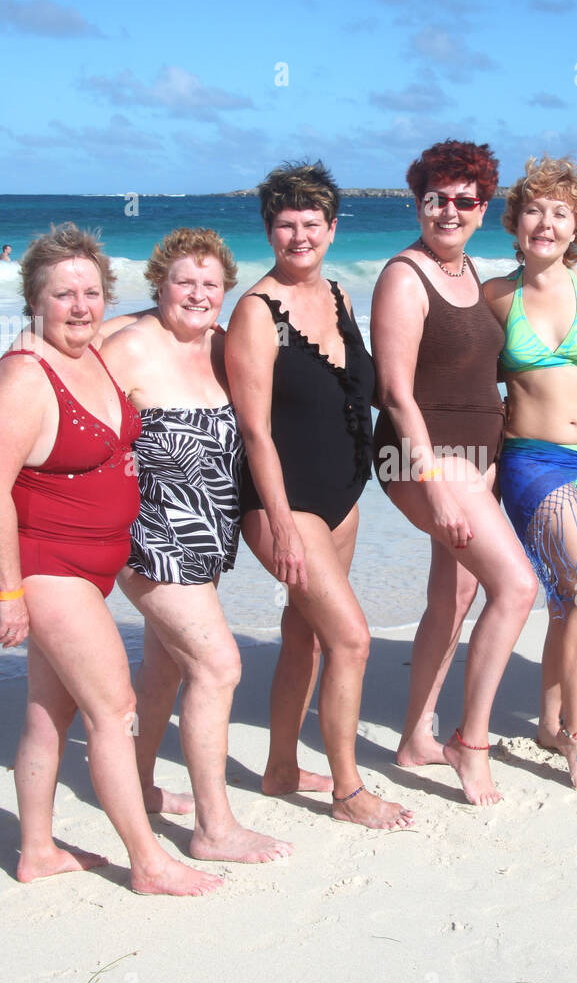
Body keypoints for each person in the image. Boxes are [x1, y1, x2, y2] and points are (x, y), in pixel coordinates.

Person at [0, 224, 220, 894]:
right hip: (48, 565)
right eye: (61, 294)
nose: (78, 305)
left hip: (95, 567)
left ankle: (36, 849)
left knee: (50, 711)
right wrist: (8, 593)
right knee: (114, 705)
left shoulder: (94, 350)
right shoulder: (23, 374)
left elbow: (148, 324)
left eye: (90, 292)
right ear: (33, 299)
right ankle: (148, 863)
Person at [226, 161, 412, 830]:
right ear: (269, 229)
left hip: (342, 495)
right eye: (285, 223)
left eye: (311, 223)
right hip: (285, 501)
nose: (298, 235)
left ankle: (280, 769)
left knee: (304, 635)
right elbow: (254, 428)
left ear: (332, 228)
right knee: (352, 641)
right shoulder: (256, 312)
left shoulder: (337, 294)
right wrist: (276, 520)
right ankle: (347, 789)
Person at [101, 228, 294, 861]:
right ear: (159, 282)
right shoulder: (124, 346)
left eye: (211, 284)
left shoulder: (220, 348)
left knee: (166, 666)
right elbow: (62, 408)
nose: (198, 293)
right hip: (150, 539)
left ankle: (136, 782)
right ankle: (215, 828)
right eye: (184, 280)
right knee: (218, 666)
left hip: (209, 537)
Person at [371, 140, 538, 806]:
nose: (449, 210)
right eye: (435, 198)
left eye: (464, 200)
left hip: (474, 460)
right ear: (418, 202)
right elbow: (395, 392)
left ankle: (415, 738)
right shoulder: (403, 276)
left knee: (457, 597)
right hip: (422, 457)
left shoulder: (473, 275)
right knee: (518, 587)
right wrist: (435, 480)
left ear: (482, 206)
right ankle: (472, 741)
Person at [484, 157, 577, 791]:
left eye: (560, 213)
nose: (546, 222)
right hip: (533, 462)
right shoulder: (494, 298)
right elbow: (468, 389)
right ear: (515, 223)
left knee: (572, 599)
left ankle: (547, 719)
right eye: (534, 209)